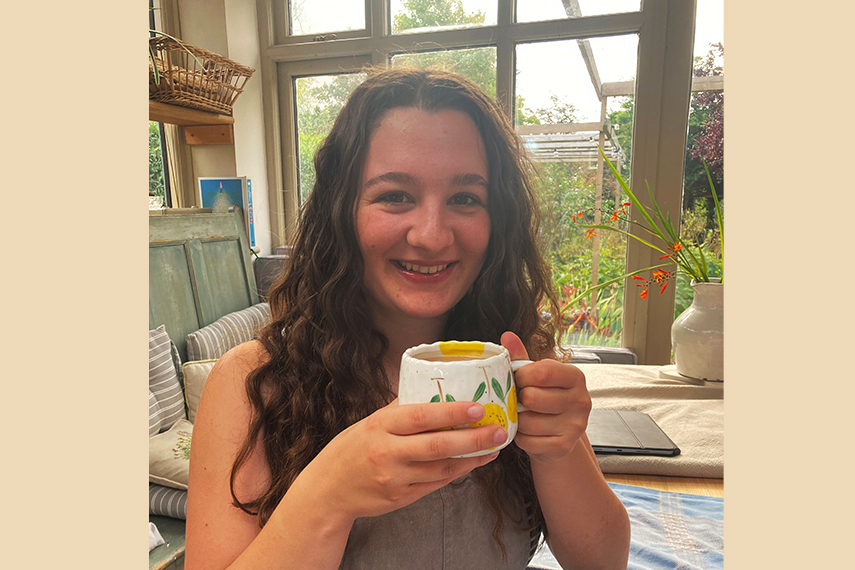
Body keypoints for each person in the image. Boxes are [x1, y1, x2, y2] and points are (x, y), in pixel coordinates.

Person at [185, 67, 631, 570]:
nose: (432, 236)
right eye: (395, 196)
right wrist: (327, 496)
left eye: (466, 198)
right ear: (342, 211)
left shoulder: (516, 363)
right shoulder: (250, 384)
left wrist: (558, 450)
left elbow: (602, 561)